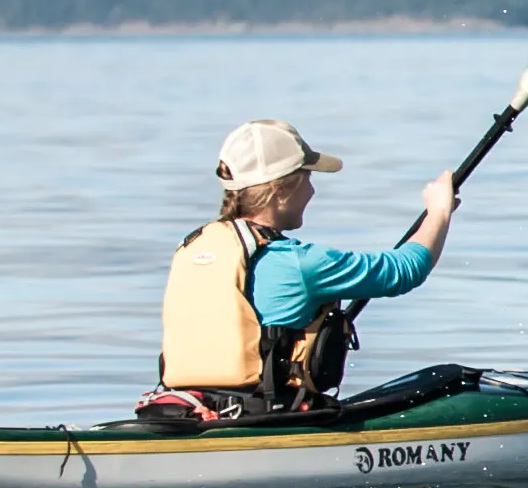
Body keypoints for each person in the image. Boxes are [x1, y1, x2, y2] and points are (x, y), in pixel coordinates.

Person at [156, 119, 455, 413]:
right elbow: (405, 270)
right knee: (452, 380)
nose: (312, 191)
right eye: (308, 178)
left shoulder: (190, 249)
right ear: (281, 190)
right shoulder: (300, 264)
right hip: (264, 414)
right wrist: (439, 212)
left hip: (188, 411)